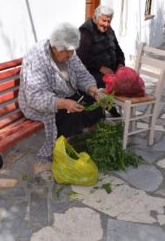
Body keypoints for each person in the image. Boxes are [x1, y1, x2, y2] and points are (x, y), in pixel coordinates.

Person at [18, 23, 105, 174]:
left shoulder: (68, 50)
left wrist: (93, 90)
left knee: (95, 104)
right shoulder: (37, 58)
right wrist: (63, 103)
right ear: (55, 48)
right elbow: (34, 96)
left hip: (66, 94)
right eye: (68, 52)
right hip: (41, 103)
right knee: (71, 115)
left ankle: (81, 137)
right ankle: (61, 145)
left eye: (73, 51)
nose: (71, 55)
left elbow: (81, 74)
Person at [77, 5, 125, 117]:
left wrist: (121, 64)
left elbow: (118, 49)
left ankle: (111, 105)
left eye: (109, 21)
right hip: (93, 72)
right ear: (95, 18)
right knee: (107, 83)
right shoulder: (86, 31)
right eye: (104, 20)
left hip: (112, 70)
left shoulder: (109, 30)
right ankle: (106, 109)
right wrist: (101, 68)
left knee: (128, 80)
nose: (106, 24)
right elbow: (82, 56)